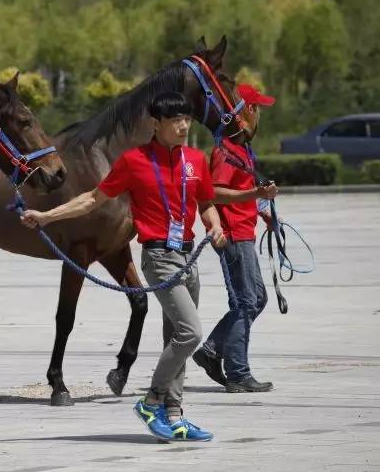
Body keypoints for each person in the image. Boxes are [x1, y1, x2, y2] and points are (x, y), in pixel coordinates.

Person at [20, 92, 226, 442]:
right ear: (156, 124)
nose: (183, 126)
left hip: (188, 258)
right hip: (159, 259)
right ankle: (152, 401)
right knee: (190, 333)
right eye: (175, 120)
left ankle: (175, 415)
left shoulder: (195, 160)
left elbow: (205, 202)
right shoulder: (134, 161)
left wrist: (214, 224)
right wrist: (45, 216)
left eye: (187, 119)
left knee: (174, 338)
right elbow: (91, 199)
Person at [192, 83, 278, 393]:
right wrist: (254, 193)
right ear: (243, 115)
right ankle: (238, 373)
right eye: (257, 110)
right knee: (245, 303)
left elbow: (239, 194)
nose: (259, 117)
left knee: (256, 299)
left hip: (244, 232)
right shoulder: (225, 152)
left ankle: (212, 349)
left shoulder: (242, 150)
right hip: (233, 236)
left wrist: (262, 210)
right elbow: (213, 191)